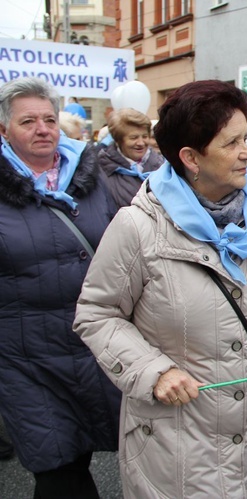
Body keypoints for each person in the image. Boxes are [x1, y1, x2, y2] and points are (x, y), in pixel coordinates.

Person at [73, 80, 247, 499]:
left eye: (245, 137)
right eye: (232, 143)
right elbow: (97, 314)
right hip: (172, 437)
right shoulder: (139, 227)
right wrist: (152, 371)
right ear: (191, 158)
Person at [0, 76, 120, 498]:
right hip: (24, 357)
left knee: (78, 451)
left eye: (49, 119)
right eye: (27, 121)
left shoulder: (88, 174)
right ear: (4, 130)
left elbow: (117, 240)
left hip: (91, 343)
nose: (42, 128)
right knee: (56, 467)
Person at [97, 108, 164, 208]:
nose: (141, 143)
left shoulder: (162, 166)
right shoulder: (103, 170)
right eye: (134, 138)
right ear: (118, 140)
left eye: (145, 136)